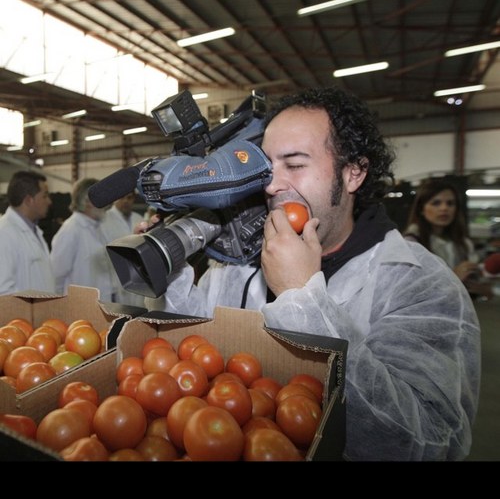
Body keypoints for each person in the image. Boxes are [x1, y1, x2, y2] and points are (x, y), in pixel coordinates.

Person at [145, 86, 481, 461]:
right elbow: (185, 355)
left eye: (295, 164)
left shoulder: (418, 283)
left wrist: (301, 297)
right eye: (267, 168)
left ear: (353, 173)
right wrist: (171, 266)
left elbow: (429, 442)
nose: (272, 185)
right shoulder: (238, 263)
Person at [403, 178, 480, 286]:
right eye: (436, 203)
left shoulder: (464, 243)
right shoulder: (410, 244)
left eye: (450, 203)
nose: (444, 208)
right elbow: (410, 288)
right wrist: (453, 276)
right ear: (421, 209)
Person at [50, 178, 117, 302]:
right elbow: (56, 275)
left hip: (100, 303)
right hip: (79, 306)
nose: (106, 203)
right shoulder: (71, 230)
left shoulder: (98, 227)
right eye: (101, 198)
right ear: (87, 201)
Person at [0, 170, 56, 294]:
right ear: (28, 200)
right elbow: (3, 292)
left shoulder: (34, 230)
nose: (49, 201)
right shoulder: (4, 234)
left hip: (42, 311)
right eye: (45, 196)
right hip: (22, 313)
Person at [100, 192, 145, 306]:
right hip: (114, 280)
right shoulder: (104, 220)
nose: (125, 201)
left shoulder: (139, 219)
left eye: (129, 198)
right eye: (121, 197)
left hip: (138, 278)